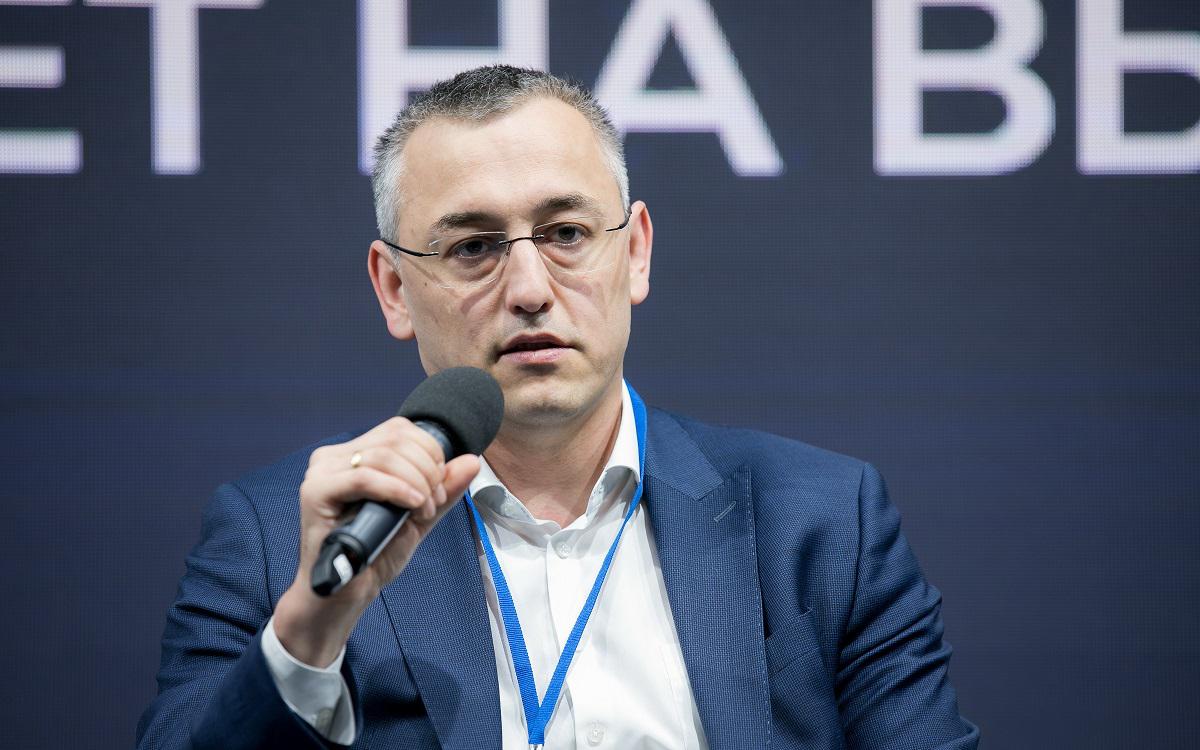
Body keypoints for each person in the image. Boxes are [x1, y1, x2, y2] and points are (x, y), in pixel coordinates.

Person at [137, 65, 979, 750]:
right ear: (394, 289)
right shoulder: (284, 537)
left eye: (566, 234)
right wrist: (308, 635)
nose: (530, 289)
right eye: (474, 247)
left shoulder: (822, 523)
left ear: (635, 252)